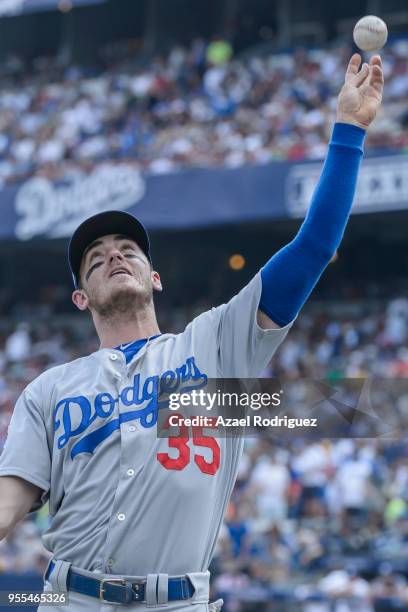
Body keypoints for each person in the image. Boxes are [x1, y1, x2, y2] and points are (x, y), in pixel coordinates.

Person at [0, 54, 383, 611]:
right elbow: (11, 500)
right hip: (68, 599)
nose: (114, 258)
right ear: (81, 297)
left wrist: (348, 129)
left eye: (127, 251)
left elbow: (315, 246)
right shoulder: (47, 389)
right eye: (96, 259)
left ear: (154, 278)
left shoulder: (216, 343)